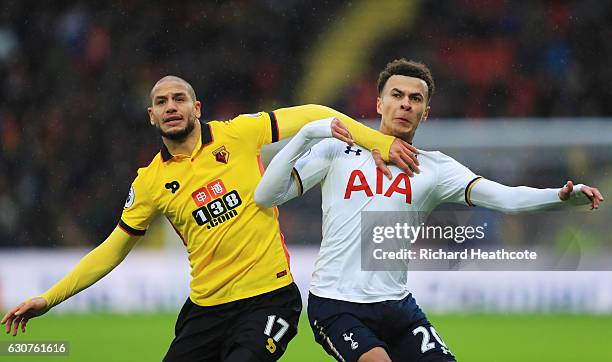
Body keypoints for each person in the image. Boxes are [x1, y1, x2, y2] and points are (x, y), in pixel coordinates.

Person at [1, 75, 422, 362]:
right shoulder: (150, 183)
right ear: (152, 116)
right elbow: (113, 249)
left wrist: (377, 141)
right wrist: (48, 298)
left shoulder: (237, 134)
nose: (171, 107)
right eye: (161, 102)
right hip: (205, 311)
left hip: (269, 301)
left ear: (196, 107)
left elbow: (312, 112)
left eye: (179, 99)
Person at [254, 59, 604, 362]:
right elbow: (266, 196)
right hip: (336, 304)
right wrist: (306, 135)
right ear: (378, 104)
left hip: (397, 306)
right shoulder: (336, 150)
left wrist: (559, 197)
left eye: (415, 98)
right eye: (397, 95)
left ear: (426, 111)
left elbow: (505, 198)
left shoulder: (435, 169)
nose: (405, 104)